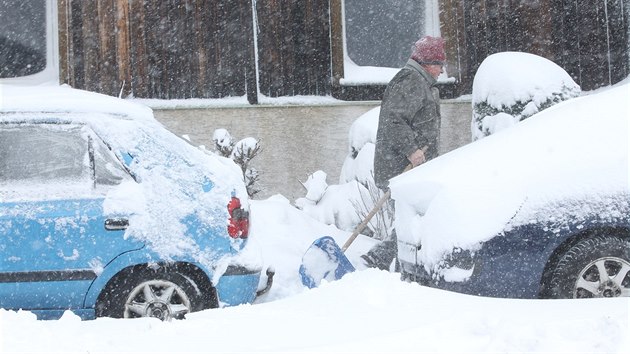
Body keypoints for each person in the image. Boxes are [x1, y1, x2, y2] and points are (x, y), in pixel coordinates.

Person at [361, 35, 445, 270]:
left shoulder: (420, 82)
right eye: (439, 64)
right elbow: (394, 121)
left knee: (410, 223)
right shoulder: (411, 80)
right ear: (428, 62)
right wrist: (412, 151)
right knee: (409, 223)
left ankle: (392, 265)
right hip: (401, 168)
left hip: (411, 169)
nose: (441, 71)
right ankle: (377, 260)